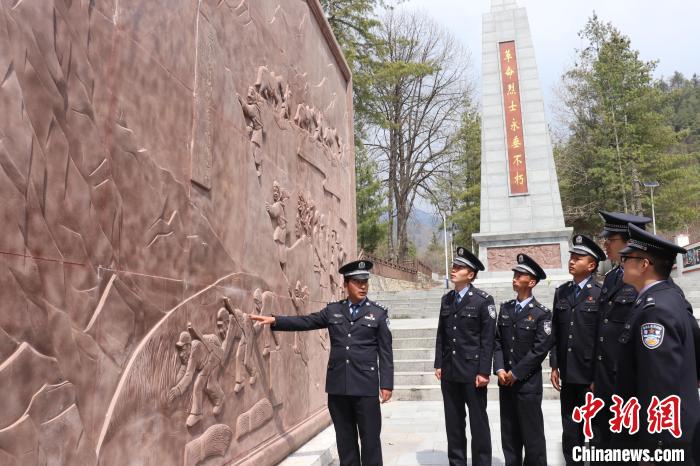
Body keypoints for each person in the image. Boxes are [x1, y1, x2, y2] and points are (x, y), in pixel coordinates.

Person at [250, 260, 393, 466]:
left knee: (370, 441)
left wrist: (386, 383)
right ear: (345, 285)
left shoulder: (378, 313)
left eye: (365, 282)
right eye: (357, 282)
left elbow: (386, 352)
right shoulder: (333, 311)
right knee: (345, 442)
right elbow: (307, 321)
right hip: (338, 388)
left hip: (365, 388)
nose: (363, 286)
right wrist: (276, 320)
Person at [616, 224, 699, 464]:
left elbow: (659, 383)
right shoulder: (666, 298)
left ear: (644, 264)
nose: (622, 262)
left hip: (666, 440)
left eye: (627, 257)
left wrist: (655, 447)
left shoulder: (656, 311)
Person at [591, 211, 651, 453]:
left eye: (611, 239)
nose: (605, 244)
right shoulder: (611, 277)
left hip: (630, 379)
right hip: (606, 377)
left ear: (629, 242)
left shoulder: (644, 279)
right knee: (605, 441)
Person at [434, 246, 495, 466]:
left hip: (472, 372)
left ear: (470, 274)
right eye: (454, 266)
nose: (453, 270)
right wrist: (439, 363)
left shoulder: (482, 300)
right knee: (454, 423)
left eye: (459, 267)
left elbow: (488, 340)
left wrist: (483, 371)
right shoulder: (447, 299)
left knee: (478, 423)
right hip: (450, 371)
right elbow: (442, 333)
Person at [550, 234, 605, 465]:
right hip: (568, 375)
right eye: (571, 256)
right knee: (570, 432)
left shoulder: (601, 294)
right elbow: (556, 331)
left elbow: (603, 339)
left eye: (578, 257)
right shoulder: (561, 292)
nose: (571, 260)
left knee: (593, 432)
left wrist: (597, 375)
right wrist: (554, 364)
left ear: (591, 265)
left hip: (589, 377)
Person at [494, 254, 554, 466]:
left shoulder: (542, 314)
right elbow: (498, 341)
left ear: (532, 282)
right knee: (509, 435)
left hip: (527, 384)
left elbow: (539, 350)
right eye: (514, 274)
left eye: (520, 275)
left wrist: (516, 373)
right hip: (505, 383)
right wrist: (500, 368)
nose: (514, 278)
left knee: (532, 436)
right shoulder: (506, 308)